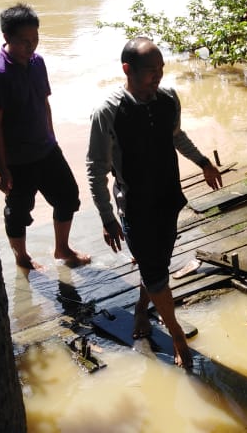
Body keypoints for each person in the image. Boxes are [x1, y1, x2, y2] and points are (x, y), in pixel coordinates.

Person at [86, 37, 222, 368]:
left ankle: (140, 310)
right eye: (150, 71)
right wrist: (107, 217)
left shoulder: (168, 99)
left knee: (158, 263)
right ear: (127, 70)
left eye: (161, 69)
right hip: (135, 207)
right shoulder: (108, 112)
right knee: (156, 271)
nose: (157, 77)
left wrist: (203, 161)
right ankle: (175, 334)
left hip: (169, 198)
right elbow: (96, 169)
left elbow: (176, 135)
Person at [0, 3, 90, 271]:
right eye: (24, 42)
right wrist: (1, 169)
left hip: (46, 149)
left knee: (68, 196)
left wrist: (52, 138)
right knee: (18, 212)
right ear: (6, 38)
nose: (31, 46)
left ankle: (61, 248)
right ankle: (22, 258)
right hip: (15, 159)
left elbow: (44, 103)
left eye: (35, 40)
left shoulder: (37, 63)